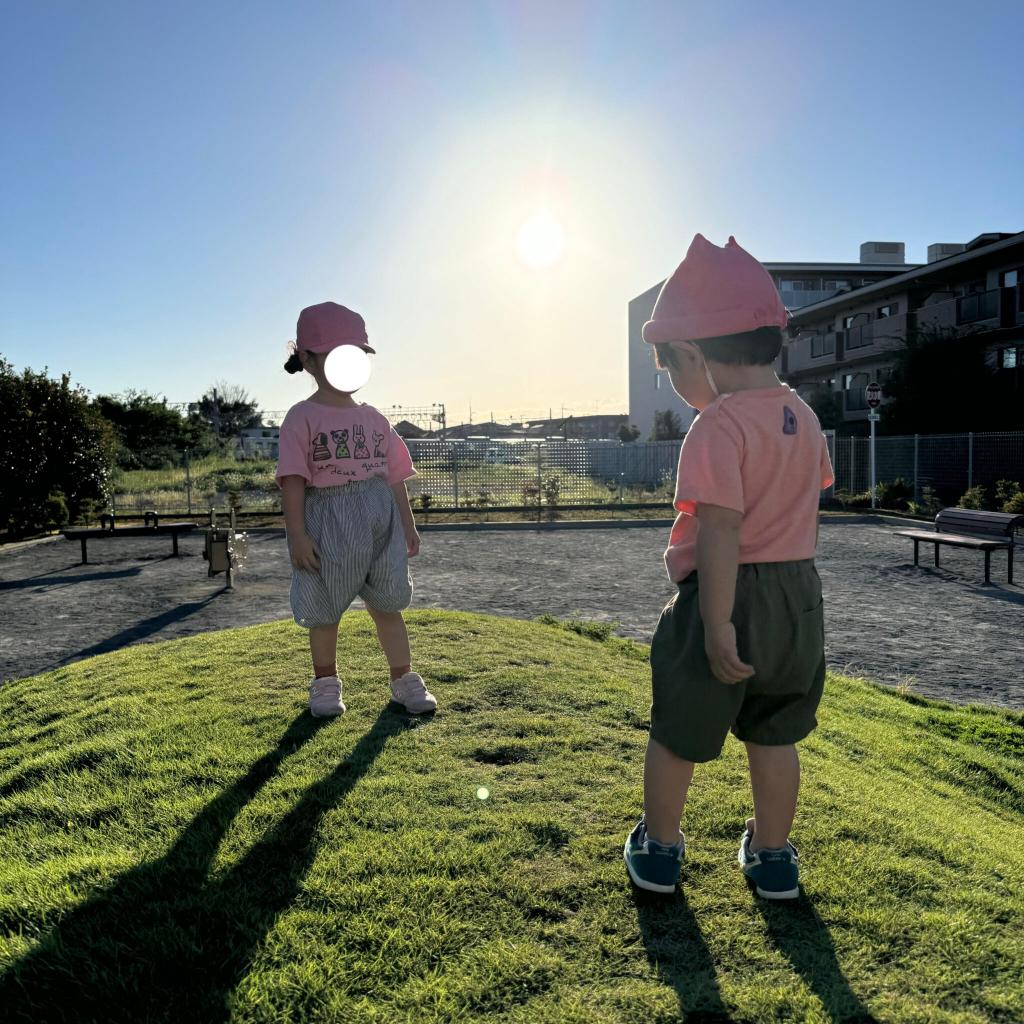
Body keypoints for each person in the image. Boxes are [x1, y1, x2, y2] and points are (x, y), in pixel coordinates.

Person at [623, 235, 833, 899]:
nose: (677, 391)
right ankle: (772, 858)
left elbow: (720, 529)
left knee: (679, 728)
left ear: (692, 355)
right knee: (775, 733)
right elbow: (800, 503)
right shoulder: (804, 415)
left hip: (727, 593)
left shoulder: (717, 426)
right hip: (798, 598)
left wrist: (716, 623)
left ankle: (659, 849)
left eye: (670, 374)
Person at [276, 301, 436, 718]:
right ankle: (325, 683)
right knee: (324, 607)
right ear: (308, 359)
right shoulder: (301, 417)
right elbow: (292, 478)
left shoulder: (375, 419)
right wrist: (297, 535)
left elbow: (395, 475)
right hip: (327, 521)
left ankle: (403, 678)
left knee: (389, 603)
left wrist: (408, 525)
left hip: (379, 518)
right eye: (335, 355)